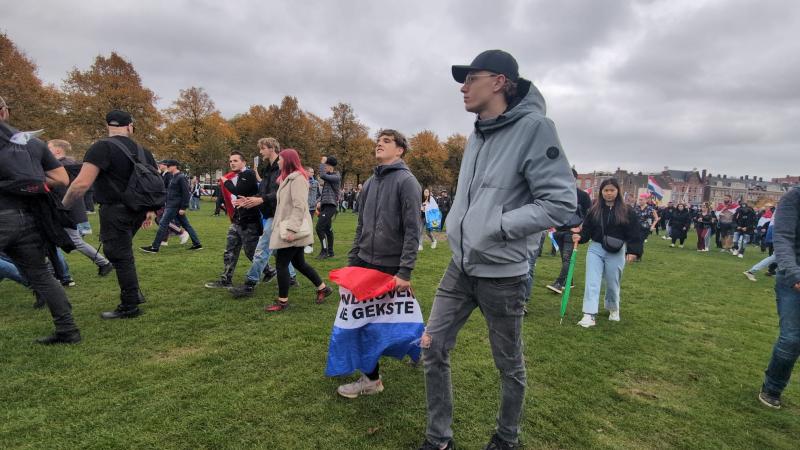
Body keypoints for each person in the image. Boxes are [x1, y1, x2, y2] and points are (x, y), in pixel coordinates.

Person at [419, 50, 576, 450]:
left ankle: (507, 438)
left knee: (508, 366)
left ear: (500, 81)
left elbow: (561, 203)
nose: (463, 87)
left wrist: (497, 226)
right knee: (431, 347)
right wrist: (461, 226)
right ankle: (439, 439)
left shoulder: (536, 128)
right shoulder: (476, 134)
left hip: (503, 274)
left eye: (472, 78)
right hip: (460, 266)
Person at [336, 129, 422, 398]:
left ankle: (374, 379)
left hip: (390, 267)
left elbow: (413, 230)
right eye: (378, 141)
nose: (379, 144)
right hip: (364, 262)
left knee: (381, 323)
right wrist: (353, 262)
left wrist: (404, 271)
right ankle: (379, 373)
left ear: (400, 150)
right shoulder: (370, 182)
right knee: (368, 322)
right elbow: (360, 225)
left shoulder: (407, 181)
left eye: (386, 141)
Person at [63, 109, 160, 319]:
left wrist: (62, 207)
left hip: (115, 210)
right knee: (121, 253)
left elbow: (81, 184)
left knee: (120, 256)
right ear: (130, 127)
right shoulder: (144, 151)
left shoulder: (101, 147)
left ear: (108, 126)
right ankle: (133, 294)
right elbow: (153, 182)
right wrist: (151, 210)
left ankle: (130, 305)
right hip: (138, 209)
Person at [0, 98, 81, 343]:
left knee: (41, 275)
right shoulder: (32, 143)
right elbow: (61, 178)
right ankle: (68, 330)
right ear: (4, 112)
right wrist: (30, 182)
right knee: (42, 275)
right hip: (29, 216)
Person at [227, 138, 298, 298]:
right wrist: (249, 200)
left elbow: (281, 192)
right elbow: (264, 190)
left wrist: (261, 199)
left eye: (263, 148)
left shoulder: (282, 168)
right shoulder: (268, 168)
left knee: (262, 249)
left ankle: (249, 284)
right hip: (271, 213)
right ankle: (292, 278)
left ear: (272, 148)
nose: (260, 151)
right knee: (278, 250)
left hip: (278, 214)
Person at [264, 149, 332, 312]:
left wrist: (292, 229)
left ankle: (282, 302)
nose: (278, 162)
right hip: (290, 227)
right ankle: (323, 288)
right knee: (299, 263)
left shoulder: (298, 179)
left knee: (281, 264)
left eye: (280, 159)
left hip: (292, 229)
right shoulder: (289, 178)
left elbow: (299, 206)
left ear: (288, 161)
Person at [573, 178, 641, 328]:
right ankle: (589, 314)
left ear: (618, 191)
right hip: (595, 248)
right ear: (601, 192)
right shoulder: (594, 210)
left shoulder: (627, 211)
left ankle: (613, 308)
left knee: (612, 282)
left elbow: (634, 232)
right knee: (592, 281)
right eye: (606, 190)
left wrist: (633, 251)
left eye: (612, 190)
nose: (609, 193)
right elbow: (587, 230)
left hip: (616, 250)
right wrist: (580, 237)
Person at [758, 185, 800, 409]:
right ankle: (772, 387)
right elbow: (783, 238)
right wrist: (794, 274)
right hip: (793, 277)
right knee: (792, 338)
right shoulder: (794, 197)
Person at [47, 139, 114, 276]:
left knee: (73, 241)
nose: (46, 150)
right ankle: (58, 272)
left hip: (65, 210)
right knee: (58, 240)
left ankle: (61, 274)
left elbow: (61, 190)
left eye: (49, 147)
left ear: (58, 150)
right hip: (70, 209)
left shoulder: (60, 167)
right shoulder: (70, 165)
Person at [204, 152, 262, 288]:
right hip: (237, 219)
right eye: (230, 161)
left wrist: (226, 182)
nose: (232, 163)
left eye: (235, 161)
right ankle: (226, 279)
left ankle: (271, 271)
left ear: (243, 162)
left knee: (251, 252)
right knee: (230, 250)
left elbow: (238, 191)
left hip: (249, 220)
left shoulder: (248, 174)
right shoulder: (236, 176)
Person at [140, 160, 203, 253]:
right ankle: (197, 244)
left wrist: (183, 207)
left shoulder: (181, 177)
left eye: (169, 165)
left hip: (174, 206)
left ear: (175, 166)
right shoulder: (174, 177)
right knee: (186, 225)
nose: (167, 167)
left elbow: (186, 193)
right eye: (167, 165)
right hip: (172, 205)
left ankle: (154, 247)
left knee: (162, 224)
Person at [546, 168, 593, 293]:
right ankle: (569, 281)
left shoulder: (583, 196)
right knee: (564, 258)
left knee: (567, 258)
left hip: (572, 233)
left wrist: (580, 227)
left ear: (575, 179)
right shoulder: (558, 194)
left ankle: (559, 283)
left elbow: (590, 215)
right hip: (559, 231)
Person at [316, 156, 341, 259]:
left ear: (330, 167)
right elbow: (326, 193)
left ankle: (324, 251)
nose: (324, 168)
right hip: (325, 205)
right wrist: (319, 201)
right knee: (328, 229)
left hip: (330, 206)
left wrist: (322, 162)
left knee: (319, 228)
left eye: (325, 166)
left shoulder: (336, 177)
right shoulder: (329, 177)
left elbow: (322, 175)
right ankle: (330, 252)